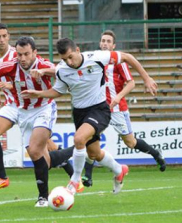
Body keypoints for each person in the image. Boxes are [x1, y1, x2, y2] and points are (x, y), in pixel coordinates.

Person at [21, 38, 158, 195]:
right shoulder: (61, 70)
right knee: (94, 153)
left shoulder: (97, 57)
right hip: (79, 113)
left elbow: (127, 57)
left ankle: (75, 180)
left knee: (79, 139)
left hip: (99, 109)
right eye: (65, 59)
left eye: (71, 57)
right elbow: (57, 91)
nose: (69, 62)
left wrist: (146, 78)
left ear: (78, 50)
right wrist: (38, 94)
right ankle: (119, 170)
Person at [0, 37, 73, 207]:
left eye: (26, 54)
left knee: (34, 149)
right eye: (19, 54)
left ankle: (42, 198)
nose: (23, 58)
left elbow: (62, 71)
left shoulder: (43, 64)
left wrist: (44, 72)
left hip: (44, 109)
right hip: (23, 113)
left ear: (35, 53)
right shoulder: (10, 65)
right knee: (40, 158)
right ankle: (76, 150)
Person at [0, 23, 73, 192]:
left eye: (4, 36)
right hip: (15, 104)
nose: (2, 40)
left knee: (43, 150)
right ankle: (2, 177)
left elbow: (53, 71)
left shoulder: (16, 55)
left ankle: (73, 172)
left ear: (9, 37)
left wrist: (42, 73)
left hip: (32, 104)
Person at [81, 30, 166, 188]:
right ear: (100, 43)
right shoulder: (94, 60)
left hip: (118, 110)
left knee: (131, 143)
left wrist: (118, 97)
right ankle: (88, 175)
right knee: (89, 137)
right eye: (103, 41)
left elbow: (131, 83)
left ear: (113, 46)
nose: (105, 43)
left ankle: (155, 153)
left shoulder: (118, 62)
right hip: (99, 110)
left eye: (108, 41)